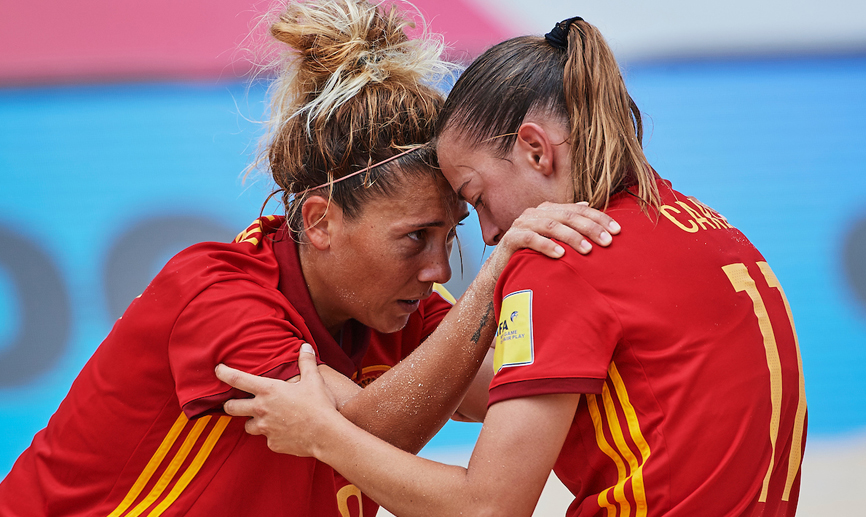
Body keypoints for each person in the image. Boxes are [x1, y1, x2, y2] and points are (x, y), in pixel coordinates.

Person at [0, 4, 619, 517]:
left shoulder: (412, 315)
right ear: (321, 221)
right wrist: (496, 279)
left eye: (450, 234)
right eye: (415, 237)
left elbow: (524, 390)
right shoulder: (218, 295)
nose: (437, 269)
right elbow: (368, 437)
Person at [216, 15, 808, 517]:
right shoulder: (714, 230)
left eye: (474, 202)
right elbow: (475, 388)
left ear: (535, 149)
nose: (494, 234)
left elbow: (488, 507)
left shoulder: (560, 258)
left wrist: (320, 434)